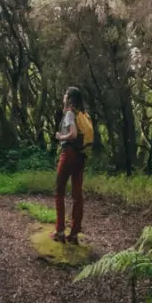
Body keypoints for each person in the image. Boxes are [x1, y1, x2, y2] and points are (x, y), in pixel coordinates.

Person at [53, 87, 94, 243]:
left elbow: (73, 134)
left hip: (69, 153)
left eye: (65, 94)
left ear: (69, 98)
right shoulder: (84, 115)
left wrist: (60, 136)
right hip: (81, 156)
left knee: (59, 190)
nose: (63, 96)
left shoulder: (70, 113)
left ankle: (60, 232)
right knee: (77, 194)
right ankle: (74, 234)